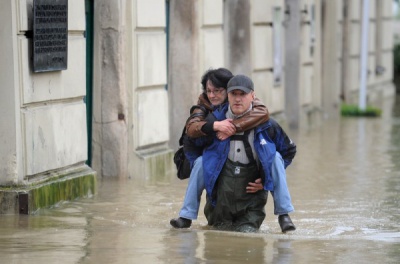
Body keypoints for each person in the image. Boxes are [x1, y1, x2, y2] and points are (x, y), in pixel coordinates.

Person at [195, 74, 297, 232]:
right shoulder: (213, 122)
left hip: (251, 206)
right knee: (216, 248)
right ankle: (186, 215)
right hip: (219, 206)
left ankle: (284, 214)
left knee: (248, 242)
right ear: (227, 96)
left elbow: (289, 150)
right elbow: (194, 147)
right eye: (233, 94)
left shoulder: (268, 126)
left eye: (242, 94)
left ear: (253, 96)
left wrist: (266, 180)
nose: (237, 99)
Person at [170, 68, 269, 228]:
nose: (212, 95)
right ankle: (186, 215)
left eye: (217, 90)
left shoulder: (246, 103)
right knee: (202, 162)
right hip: (210, 156)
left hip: (237, 164)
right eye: (208, 91)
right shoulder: (202, 106)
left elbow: (263, 112)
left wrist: (233, 127)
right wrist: (216, 125)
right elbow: (192, 127)